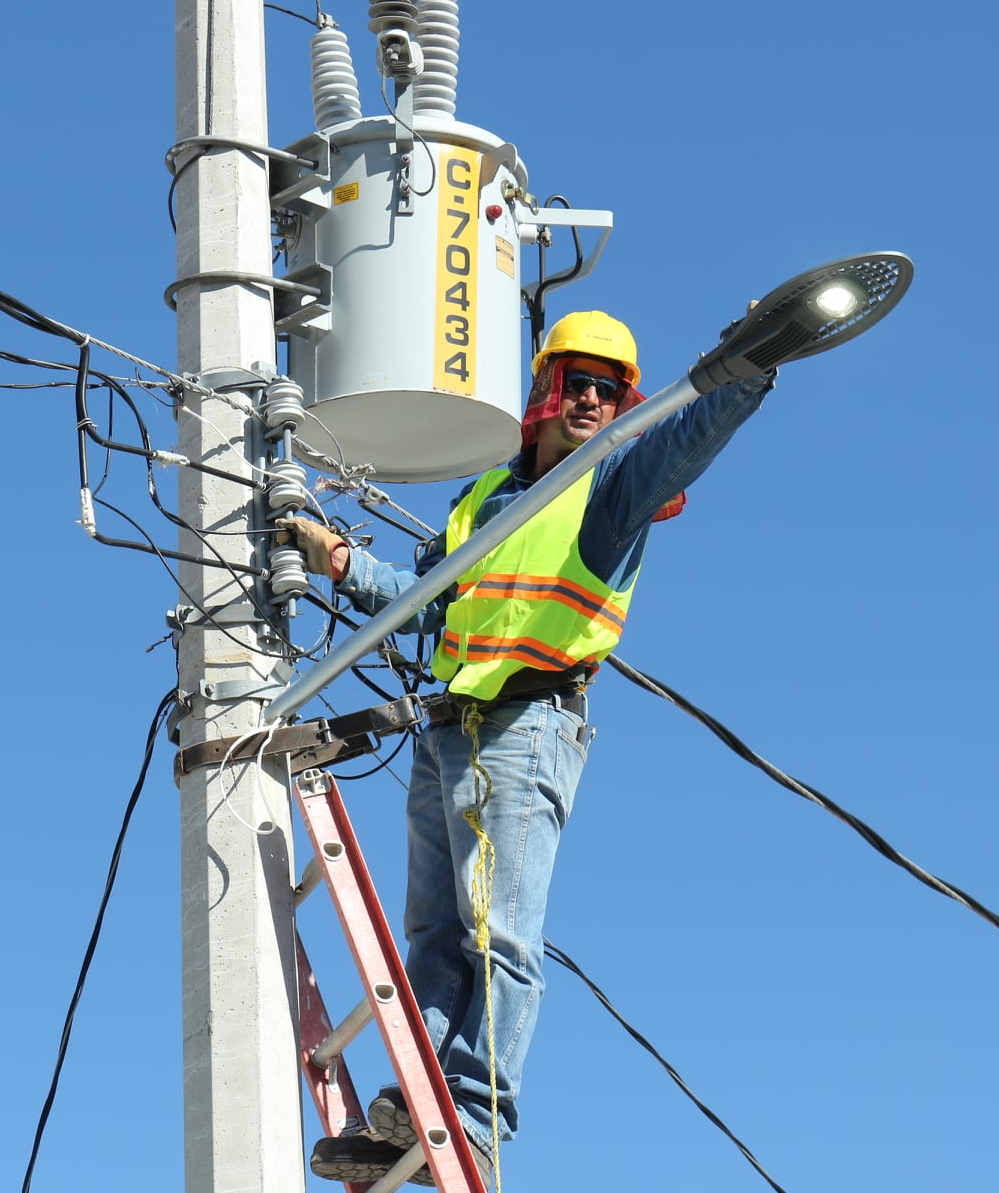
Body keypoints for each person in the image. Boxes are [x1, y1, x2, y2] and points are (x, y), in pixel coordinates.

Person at [288, 309, 775, 1186]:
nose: (592, 399)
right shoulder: (484, 498)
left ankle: (473, 1115)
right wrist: (336, 558)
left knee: (500, 936)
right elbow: (426, 599)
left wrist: (748, 368)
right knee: (435, 934)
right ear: (546, 390)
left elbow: (691, 437)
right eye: (578, 381)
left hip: (528, 725)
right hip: (451, 727)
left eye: (609, 388)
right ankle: (415, 1102)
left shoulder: (612, 487)